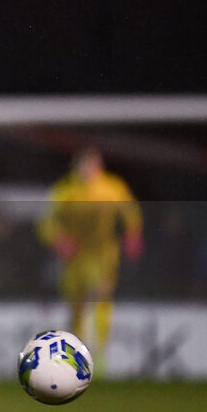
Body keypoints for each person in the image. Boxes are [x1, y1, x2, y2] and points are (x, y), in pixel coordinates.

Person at [37, 148, 143, 357]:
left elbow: (131, 212)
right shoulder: (65, 190)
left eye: (93, 164)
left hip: (103, 254)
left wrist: (133, 235)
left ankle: (101, 350)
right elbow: (46, 223)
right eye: (84, 165)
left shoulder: (112, 187)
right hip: (75, 257)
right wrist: (58, 239)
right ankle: (77, 349)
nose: (89, 169)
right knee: (77, 303)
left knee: (101, 296)